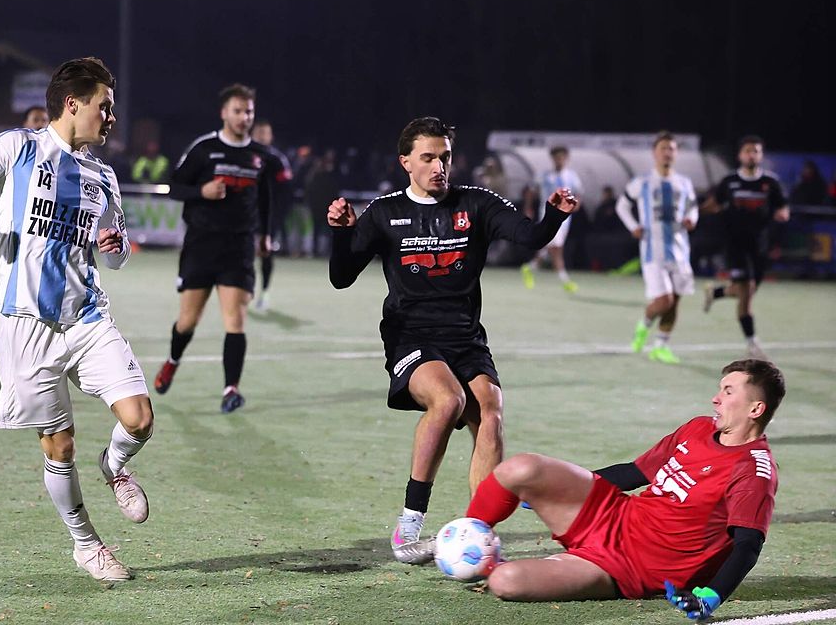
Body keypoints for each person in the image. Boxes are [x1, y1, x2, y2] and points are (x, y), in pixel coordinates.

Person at [0, 57, 153, 582]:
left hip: (87, 318)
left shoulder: (102, 175)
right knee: (59, 446)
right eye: (104, 107)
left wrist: (114, 247)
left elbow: (116, 253)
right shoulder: (15, 147)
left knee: (139, 419)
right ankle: (86, 545)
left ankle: (114, 466)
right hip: (26, 326)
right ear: (73, 103)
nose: (111, 118)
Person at [327, 116, 578, 565]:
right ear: (405, 162)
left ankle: (477, 532)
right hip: (410, 334)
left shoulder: (476, 203)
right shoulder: (384, 212)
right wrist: (342, 233)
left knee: (490, 406)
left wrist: (554, 214)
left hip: (464, 334)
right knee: (448, 400)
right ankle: (409, 525)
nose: (438, 166)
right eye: (428, 158)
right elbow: (341, 278)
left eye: (444, 156)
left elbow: (528, 237)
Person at [463, 359, 784, 621]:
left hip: (632, 568)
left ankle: (492, 562)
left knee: (505, 582)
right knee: (522, 468)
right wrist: (555, 489)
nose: (716, 398)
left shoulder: (754, 469)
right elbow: (635, 472)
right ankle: (465, 536)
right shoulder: (697, 428)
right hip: (616, 515)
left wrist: (712, 596)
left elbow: (747, 545)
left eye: (728, 392)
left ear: (755, 409)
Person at [153, 83, 274, 413]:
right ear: (224, 113)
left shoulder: (260, 156)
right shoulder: (204, 149)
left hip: (238, 249)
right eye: (237, 110)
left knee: (235, 319)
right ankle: (173, 359)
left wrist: (265, 234)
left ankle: (230, 389)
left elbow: (265, 199)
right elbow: (175, 187)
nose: (243, 117)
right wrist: (201, 191)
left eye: (248, 111)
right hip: (201, 246)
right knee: (188, 321)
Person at [702, 136, 789, 360]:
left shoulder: (770, 182)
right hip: (735, 245)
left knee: (745, 291)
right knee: (747, 291)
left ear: (761, 156)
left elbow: (782, 206)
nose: (751, 155)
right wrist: (697, 210)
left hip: (759, 246)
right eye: (748, 151)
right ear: (740, 155)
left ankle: (717, 292)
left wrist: (783, 214)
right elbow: (714, 203)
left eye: (756, 151)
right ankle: (752, 344)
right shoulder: (729, 181)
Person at [616, 131, 698, 364]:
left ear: (676, 153)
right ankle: (643, 326)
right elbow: (622, 205)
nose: (667, 152)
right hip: (654, 250)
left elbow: (693, 207)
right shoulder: (642, 181)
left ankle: (661, 345)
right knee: (665, 301)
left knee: (677, 299)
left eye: (671, 148)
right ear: (655, 153)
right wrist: (633, 226)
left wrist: (693, 219)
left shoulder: (684, 183)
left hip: (680, 250)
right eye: (663, 148)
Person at [521, 146, 583, 292]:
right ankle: (565, 280)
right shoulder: (544, 175)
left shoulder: (572, 176)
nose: (559, 160)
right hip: (548, 214)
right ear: (553, 159)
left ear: (566, 159)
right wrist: (528, 207)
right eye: (556, 157)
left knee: (553, 246)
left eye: (562, 157)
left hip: (565, 216)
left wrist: (577, 204)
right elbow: (531, 191)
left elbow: (579, 193)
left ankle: (530, 267)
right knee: (556, 247)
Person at [250, 118, 293, 310]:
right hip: (245, 215)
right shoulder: (242, 155)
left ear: (271, 136)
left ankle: (264, 292)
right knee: (241, 253)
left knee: (264, 253)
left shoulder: (276, 160)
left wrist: (278, 215)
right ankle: (244, 290)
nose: (261, 136)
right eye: (258, 132)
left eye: (265, 133)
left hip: (268, 216)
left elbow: (286, 191)